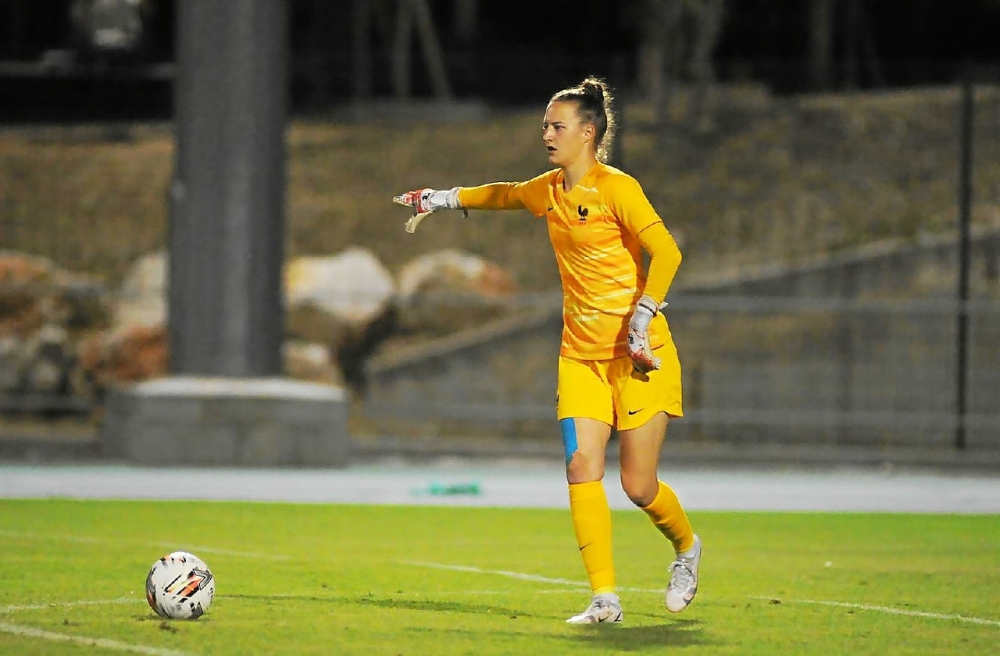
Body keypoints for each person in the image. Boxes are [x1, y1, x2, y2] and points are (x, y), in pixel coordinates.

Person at [393, 76, 701, 625]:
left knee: (638, 485)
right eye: (544, 126)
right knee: (581, 464)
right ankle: (604, 598)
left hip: (639, 354)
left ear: (588, 132)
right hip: (578, 356)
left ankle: (686, 549)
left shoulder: (617, 188)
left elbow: (668, 252)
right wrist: (440, 199)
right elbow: (506, 193)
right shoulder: (551, 190)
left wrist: (644, 312)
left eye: (556, 126)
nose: (547, 134)